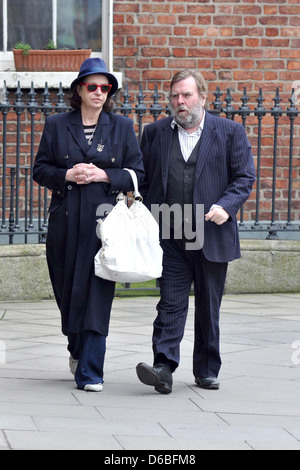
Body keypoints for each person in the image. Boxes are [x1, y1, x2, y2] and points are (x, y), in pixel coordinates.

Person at [136, 69, 256, 394]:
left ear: (202, 97)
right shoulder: (155, 133)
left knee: (208, 305)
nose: (180, 101)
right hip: (170, 232)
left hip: (211, 232)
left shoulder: (229, 132)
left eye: (187, 95)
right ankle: (163, 367)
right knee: (170, 302)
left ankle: (206, 369)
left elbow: (244, 177)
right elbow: (145, 181)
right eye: (175, 95)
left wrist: (225, 206)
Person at [33, 58, 144, 392]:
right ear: (79, 89)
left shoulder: (121, 126)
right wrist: (66, 174)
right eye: (92, 86)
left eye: (105, 87)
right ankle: (76, 348)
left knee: (96, 295)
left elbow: (138, 173)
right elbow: (40, 169)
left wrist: (104, 175)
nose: (99, 92)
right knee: (68, 294)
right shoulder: (56, 124)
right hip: (65, 224)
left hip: (104, 226)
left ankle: (91, 372)